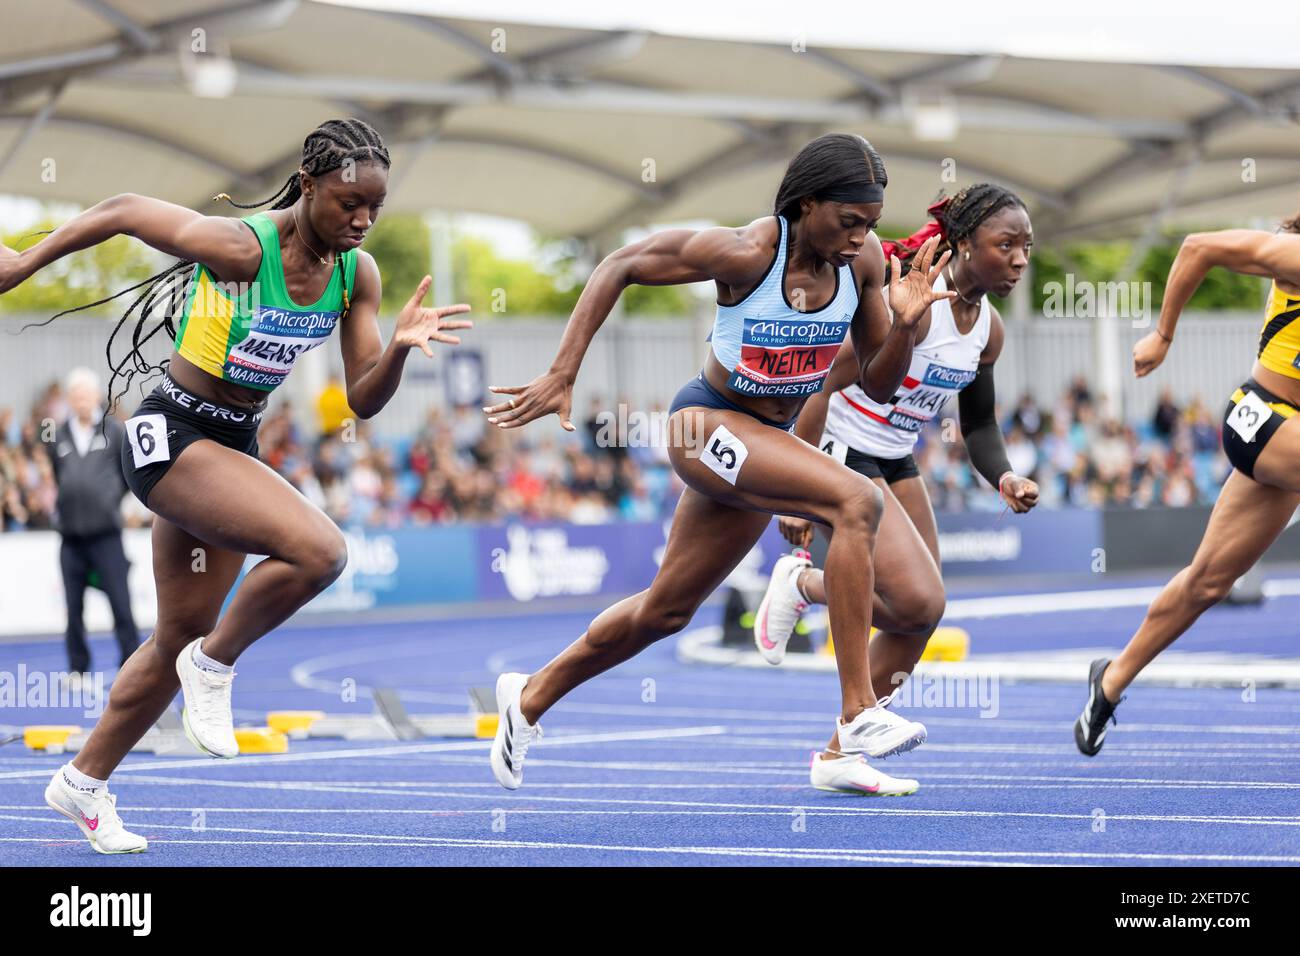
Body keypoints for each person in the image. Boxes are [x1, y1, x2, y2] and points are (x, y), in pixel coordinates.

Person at [0, 117, 471, 853]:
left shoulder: (358, 275)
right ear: (309, 184)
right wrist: (23, 263)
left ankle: (83, 783)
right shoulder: (241, 249)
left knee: (176, 633)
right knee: (321, 553)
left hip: (229, 446)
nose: (362, 220)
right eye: (349, 202)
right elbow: (124, 208)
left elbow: (362, 399)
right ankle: (214, 668)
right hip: (170, 436)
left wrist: (403, 350)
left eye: (375, 208)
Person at [482, 133, 955, 797]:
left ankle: (528, 697)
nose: (858, 240)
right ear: (806, 203)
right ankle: (857, 715)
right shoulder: (744, 253)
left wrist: (904, 327)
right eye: (848, 223)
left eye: (870, 227)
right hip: (703, 426)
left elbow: (878, 384)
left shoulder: (864, 266)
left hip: (768, 441)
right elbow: (620, 262)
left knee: (665, 612)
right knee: (858, 501)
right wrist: (564, 372)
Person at [752, 186, 1039, 791]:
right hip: (841, 450)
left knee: (917, 618)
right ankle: (802, 582)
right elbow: (822, 383)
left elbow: (980, 424)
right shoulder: (916, 304)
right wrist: (797, 481)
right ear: (962, 245)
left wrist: (1005, 475)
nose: (1018, 259)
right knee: (922, 603)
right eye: (1004, 244)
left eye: (1026, 248)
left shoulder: (988, 330)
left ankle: (837, 757)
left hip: (894, 457)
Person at [1075, 215, 1300, 755]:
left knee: (1207, 583)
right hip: (1261, 416)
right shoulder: (1293, 255)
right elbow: (1199, 246)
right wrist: (1162, 334)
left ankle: (1109, 682)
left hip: (1291, 445)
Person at [51, 367, 140, 686]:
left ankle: (131, 667)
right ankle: (77, 668)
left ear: (97, 396)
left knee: (121, 603)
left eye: (86, 394)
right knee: (73, 608)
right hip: (71, 537)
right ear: (69, 400)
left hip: (106, 535)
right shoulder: (58, 433)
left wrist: (109, 500)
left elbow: (129, 474)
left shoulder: (114, 431)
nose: (81, 400)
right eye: (75, 395)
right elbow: (58, 472)